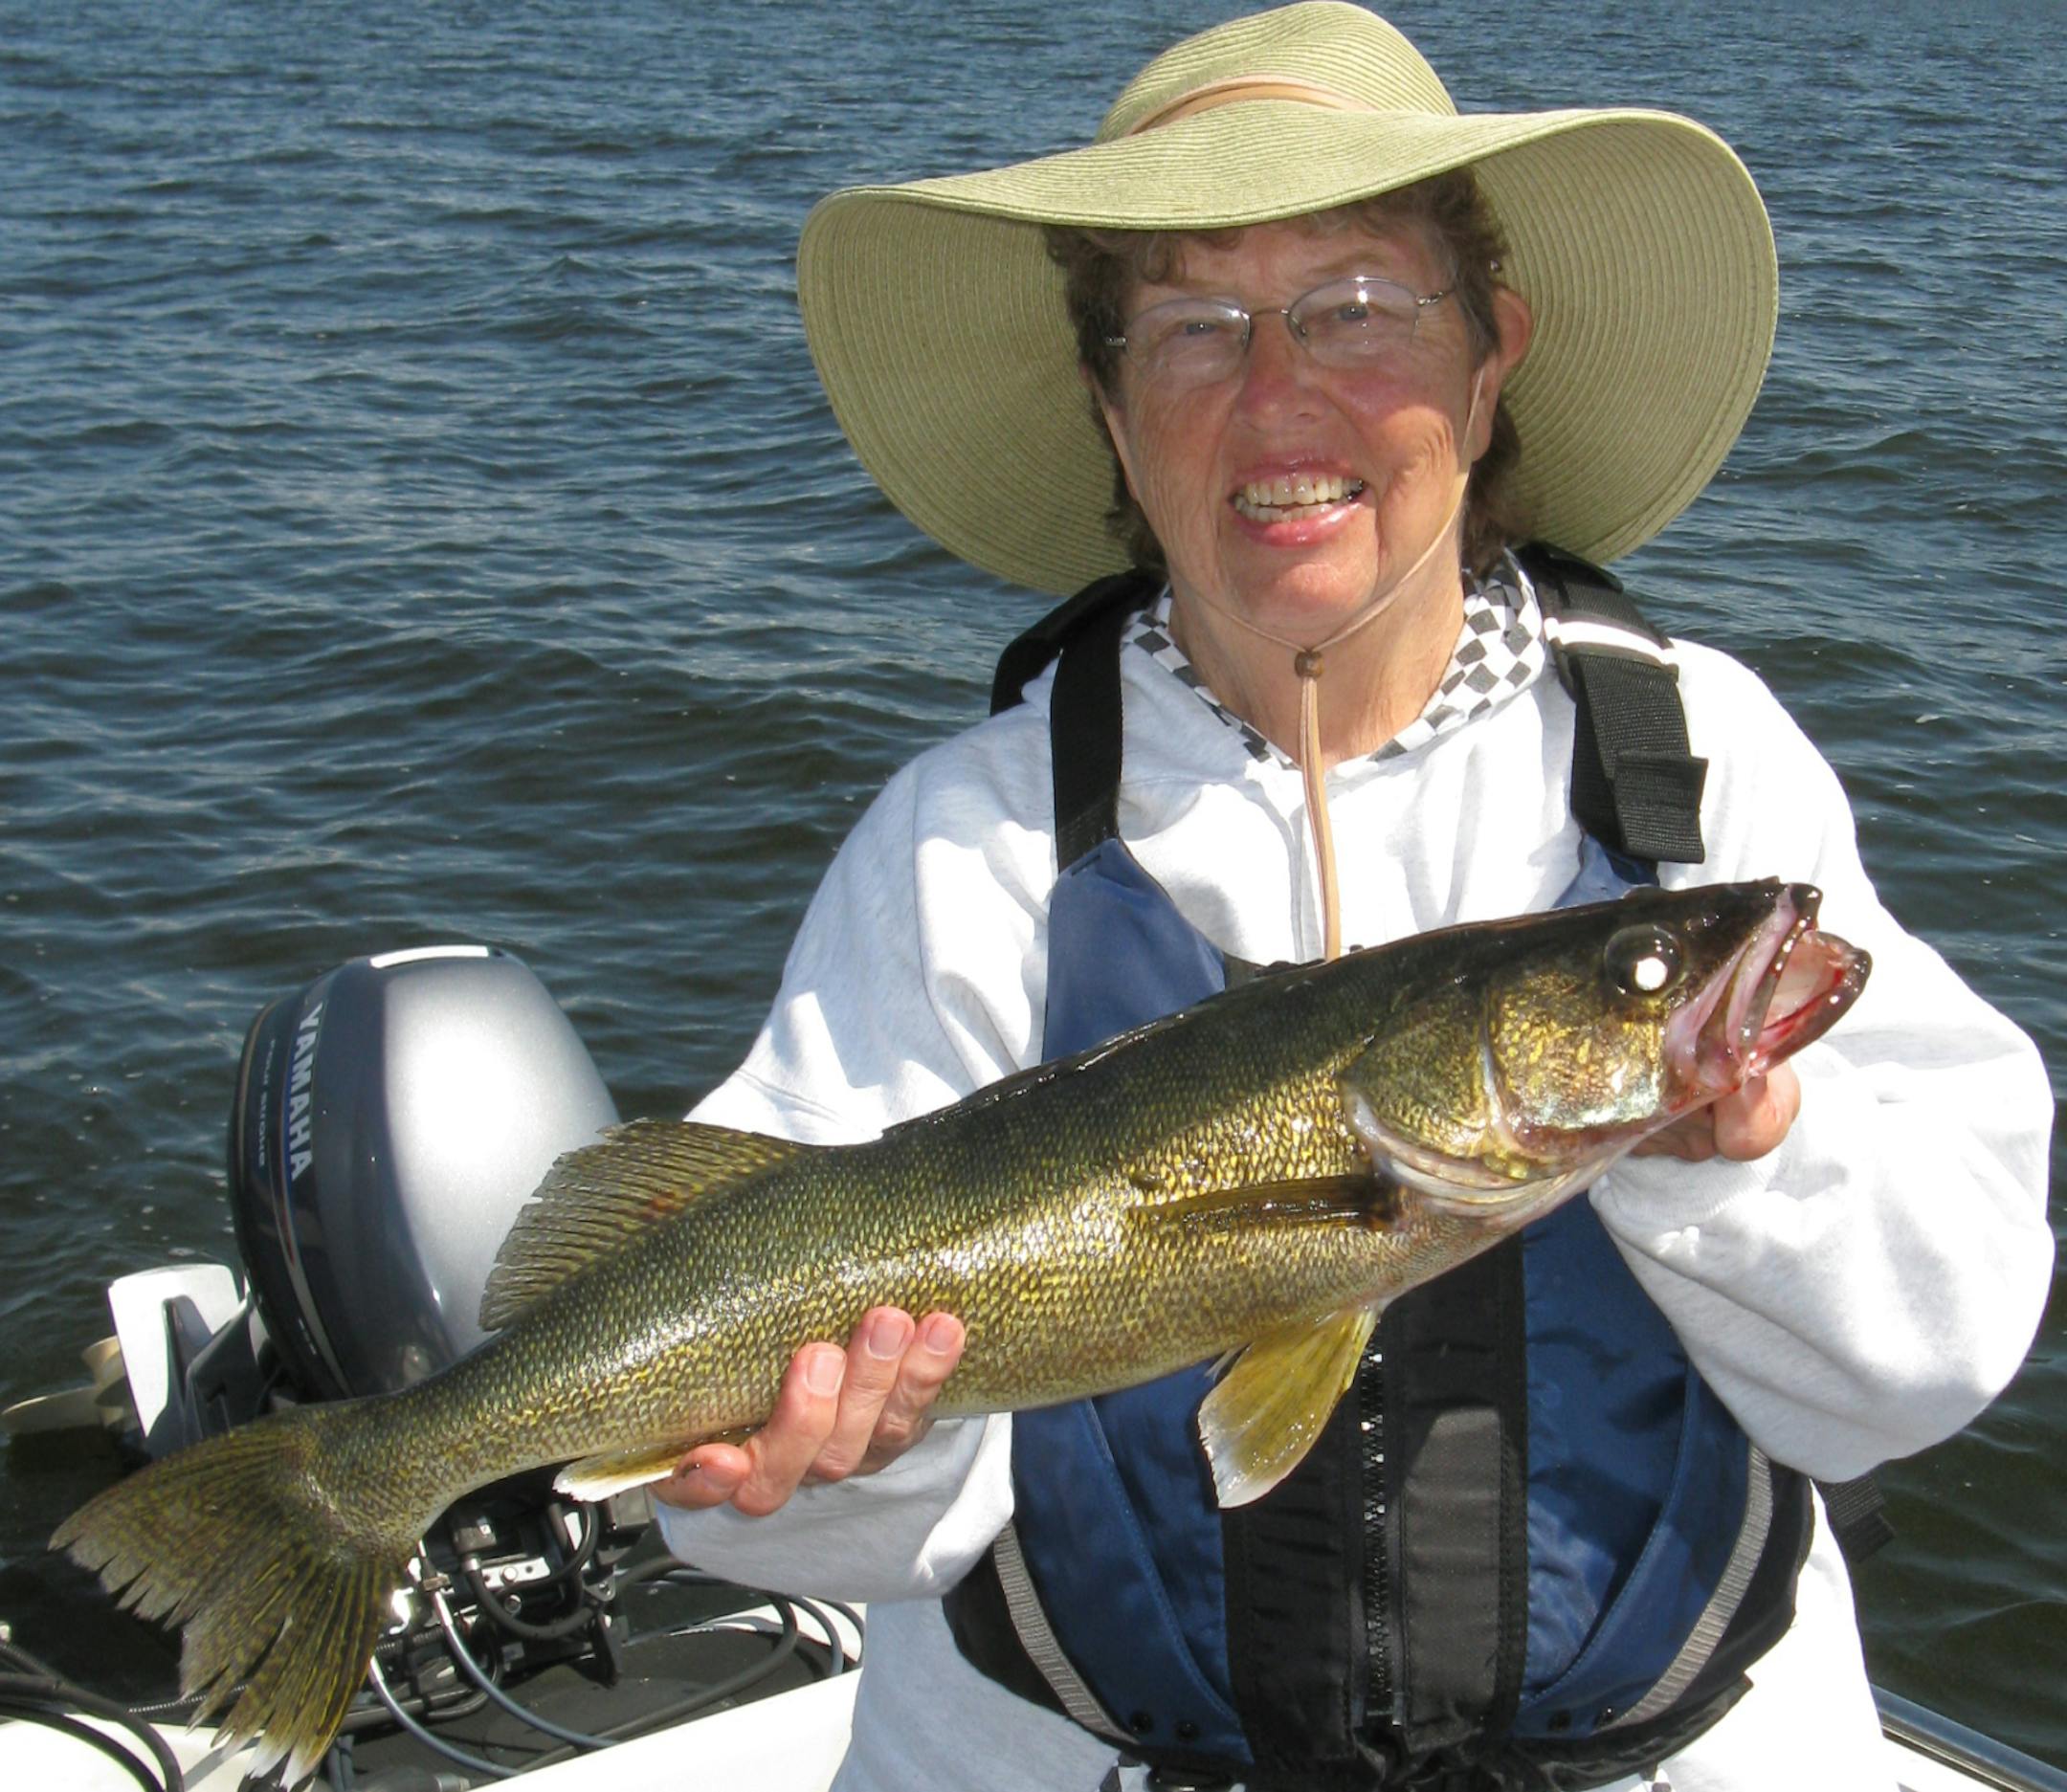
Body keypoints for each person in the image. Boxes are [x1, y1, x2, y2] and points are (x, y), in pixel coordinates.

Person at [649, 7, 2055, 1788]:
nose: (1277, 392)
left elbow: (1929, 1364)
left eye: (1358, 307)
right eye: (1191, 327)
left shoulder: (1695, 775)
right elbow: (779, 1516)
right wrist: (827, 1462)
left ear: (1489, 364)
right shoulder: (966, 843)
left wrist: (1749, 1169)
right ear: (1109, 405)